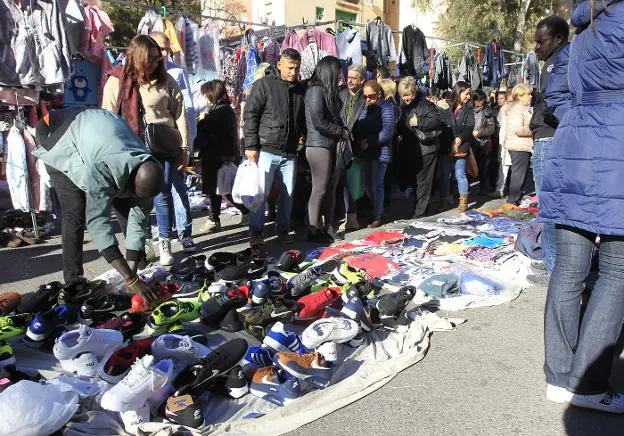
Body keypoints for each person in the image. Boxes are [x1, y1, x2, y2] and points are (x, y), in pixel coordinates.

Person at [540, 0, 624, 413]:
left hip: (573, 150)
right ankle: (587, 384)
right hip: (615, 156)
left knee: (571, 268)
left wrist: (584, 117)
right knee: (617, 270)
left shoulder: (583, 28)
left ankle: (560, 377)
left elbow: (555, 92)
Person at [34, 108, 161, 304]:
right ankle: (74, 283)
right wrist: (131, 279)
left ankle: (134, 265)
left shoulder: (147, 167)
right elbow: (98, 223)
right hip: (57, 132)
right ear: (129, 181)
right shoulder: (103, 169)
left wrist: (132, 275)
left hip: (93, 129)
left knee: (127, 207)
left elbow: (139, 220)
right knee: (75, 212)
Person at [102, 34, 190, 267]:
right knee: (137, 199)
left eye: (157, 58)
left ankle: (165, 243)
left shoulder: (167, 81)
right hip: (133, 149)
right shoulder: (117, 81)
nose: (154, 62)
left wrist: (185, 147)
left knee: (162, 196)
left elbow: (180, 114)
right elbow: (107, 117)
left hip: (165, 146)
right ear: (137, 57)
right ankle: (142, 243)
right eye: (149, 58)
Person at [243, 48, 306, 247]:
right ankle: (256, 232)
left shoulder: (299, 90)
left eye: (297, 68)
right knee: (260, 195)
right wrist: (251, 145)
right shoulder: (264, 85)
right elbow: (250, 115)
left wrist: (302, 136)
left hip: (290, 152)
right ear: (279, 64)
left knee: (287, 196)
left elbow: (301, 118)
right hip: (266, 149)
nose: (294, 72)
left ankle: (283, 230)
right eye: (290, 68)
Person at [529, 16, 570, 279]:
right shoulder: (557, 62)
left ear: (557, 39)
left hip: (549, 139)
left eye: (540, 41)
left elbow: (558, 104)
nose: (536, 47)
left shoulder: (557, 63)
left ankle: (556, 268)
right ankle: (555, 263)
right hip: (549, 137)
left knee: (550, 207)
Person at [150, 31, 196, 254]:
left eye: (167, 48)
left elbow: (186, 110)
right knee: (158, 191)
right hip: (150, 144)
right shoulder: (140, 73)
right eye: (161, 48)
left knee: (179, 188)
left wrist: (188, 144)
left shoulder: (176, 73)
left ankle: (185, 233)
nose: (165, 53)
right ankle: (162, 234)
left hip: (173, 142)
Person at [195, 80, 249, 233]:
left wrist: (201, 121)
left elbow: (208, 132)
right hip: (217, 157)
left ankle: (242, 213)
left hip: (218, 158)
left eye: (206, 94)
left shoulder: (220, 112)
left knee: (226, 189)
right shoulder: (223, 110)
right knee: (218, 190)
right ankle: (214, 219)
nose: (205, 97)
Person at [304, 56, 349, 243]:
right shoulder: (315, 90)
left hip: (330, 144)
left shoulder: (328, 91)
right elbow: (319, 121)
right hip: (318, 145)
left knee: (330, 188)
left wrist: (342, 131)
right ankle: (314, 229)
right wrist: (340, 131)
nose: (340, 75)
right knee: (320, 189)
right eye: (337, 71)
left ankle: (328, 226)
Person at [397, 76, 443, 219]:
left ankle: (419, 212)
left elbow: (437, 120)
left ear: (414, 92)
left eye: (409, 94)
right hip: (410, 150)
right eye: (404, 95)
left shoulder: (426, 104)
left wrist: (420, 122)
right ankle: (421, 208)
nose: (406, 98)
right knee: (416, 182)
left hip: (426, 149)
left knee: (423, 182)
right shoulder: (402, 106)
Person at [360, 80, 397, 227]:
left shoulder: (387, 108)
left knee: (377, 185)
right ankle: (376, 210)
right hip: (366, 152)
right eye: (366, 96)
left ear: (379, 93)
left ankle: (377, 215)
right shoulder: (366, 108)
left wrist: (369, 141)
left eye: (372, 96)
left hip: (380, 153)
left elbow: (388, 131)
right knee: (367, 185)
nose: (368, 99)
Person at [337, 64, 367, 231]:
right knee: (342, 182)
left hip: (357, 145)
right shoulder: (341, 94)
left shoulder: (365, 98)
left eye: (354, 77)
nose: (349, 80)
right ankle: (346, 215)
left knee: (354, 183)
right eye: (348, 77)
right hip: (341, 144)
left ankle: (353, 217)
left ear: (362, 80)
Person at [500, 84, 533, 206]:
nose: (530, 96)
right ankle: (512, 201)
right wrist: (534, 129)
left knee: (520, 174)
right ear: (520, 96)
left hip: (521, 146)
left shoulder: (520, 109)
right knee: (518, 174)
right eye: (528, 94)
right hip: (518, 146)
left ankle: (516, 199)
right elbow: (518, 129)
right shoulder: (516, 109)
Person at [449, 81, 475, 212]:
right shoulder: (449, 108)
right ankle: (447, 197)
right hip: (448, 146)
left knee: (460, 173)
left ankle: (463, 201)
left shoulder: (469, 110)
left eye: (470, 94)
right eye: (467, 94)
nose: (469, 97)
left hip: (462, 146)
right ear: (458, 93)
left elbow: (470, 127)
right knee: (447, 174)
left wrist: (459, 139)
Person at [472, 89, 497, 195]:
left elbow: (491, 129)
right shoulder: (469, 110)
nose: (480, 102)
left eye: (482, 99)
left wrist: (479, 133)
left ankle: (483, 188)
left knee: (483, 167)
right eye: (478, 100)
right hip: (471, 143)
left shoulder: (487, 111)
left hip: (483, 142)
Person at [491, 88, 514, 198]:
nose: (499, 101)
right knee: (507, 165)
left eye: (501, 98)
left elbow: (500, 125)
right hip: (506, 139)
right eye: (498, 98)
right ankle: (504, 188)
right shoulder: (506, 109)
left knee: (504, 165)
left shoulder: (504, 109)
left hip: (505, 140)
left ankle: (500, 188)